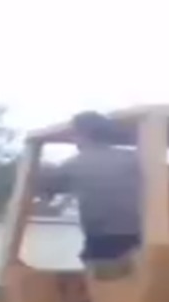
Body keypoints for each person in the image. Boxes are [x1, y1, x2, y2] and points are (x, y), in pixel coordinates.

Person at [37, 111, 143, 262]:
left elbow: (45, 191)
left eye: (75, 134)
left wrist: (43, 181)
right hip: (144, 240)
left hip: (102, 244)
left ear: (82, 134)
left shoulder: (72, 165)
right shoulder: (135, 159)